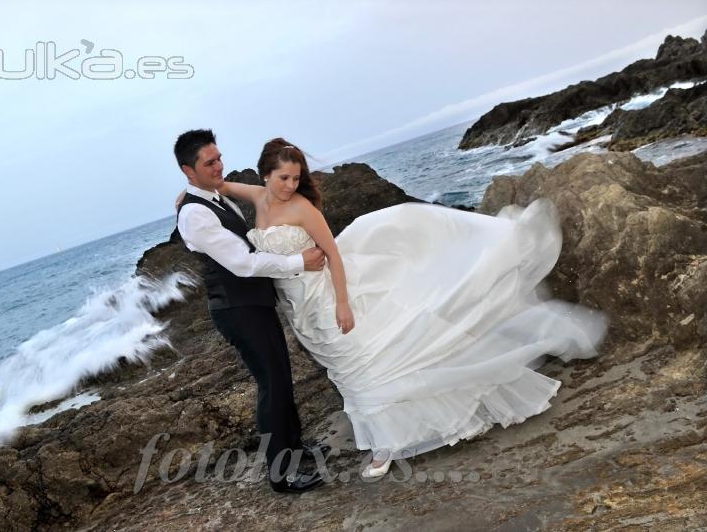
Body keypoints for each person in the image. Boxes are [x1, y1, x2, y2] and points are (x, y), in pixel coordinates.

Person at [218, 137, 609, 478]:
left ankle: (384, 444)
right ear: (264, 176)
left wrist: (341, 303)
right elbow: (221, 185)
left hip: (324, 295)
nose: (290, 185)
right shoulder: (258, 198)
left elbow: (334, 256)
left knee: (357, 360)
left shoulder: (302, 208)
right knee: (340, 368)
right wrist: (194, 192)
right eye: (283, 178)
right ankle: (384, 434)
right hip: (296, 307)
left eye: (296, 178)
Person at [172, 129, 330, 494]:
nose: (218, 165)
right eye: (209, 162)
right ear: (188, 170)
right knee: (271, 383)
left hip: (253, 303)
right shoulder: (195, 214)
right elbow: (242, 262)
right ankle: (281, 474)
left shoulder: (211, 197)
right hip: (236, 309)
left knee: (280, 374)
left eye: (219, 157)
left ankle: (294, 448)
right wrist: (298, 262)